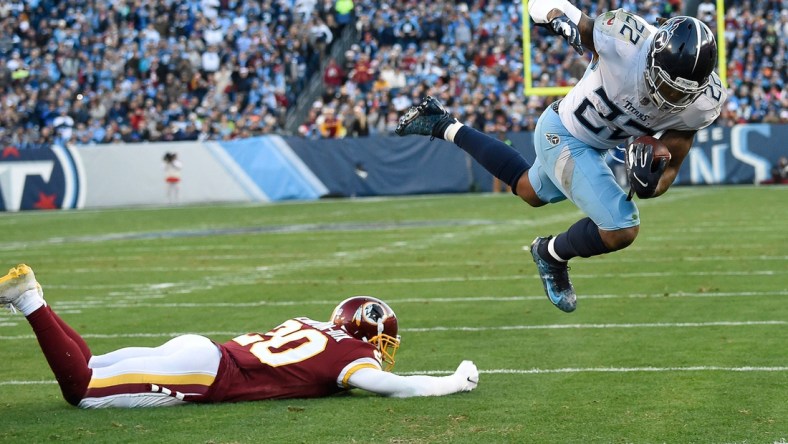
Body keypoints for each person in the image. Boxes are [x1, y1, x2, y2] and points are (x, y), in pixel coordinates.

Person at [396, 2, 727, 313]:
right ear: (653, 57)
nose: (668, 98)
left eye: (681, 94)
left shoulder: (702, 105)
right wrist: (557, 18)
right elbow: (543, 5)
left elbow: (671, 169)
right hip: (563, 132)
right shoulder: (625, 40)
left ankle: (442, 124)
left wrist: (651, 182)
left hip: (597, 145)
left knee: (529, 190)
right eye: (667, 86)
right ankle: (550, 253)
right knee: (622, 227)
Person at [0, 264, 478, 408]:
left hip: (201, 351)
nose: (380, 353)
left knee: (93, 365)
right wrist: (451, 381)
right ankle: (29, 301)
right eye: (381, 342)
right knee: (83, 392)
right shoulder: (349, 355)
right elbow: (391, 385)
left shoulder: (312, 325)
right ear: (365, 333)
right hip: (204, 373)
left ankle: (33, 293)